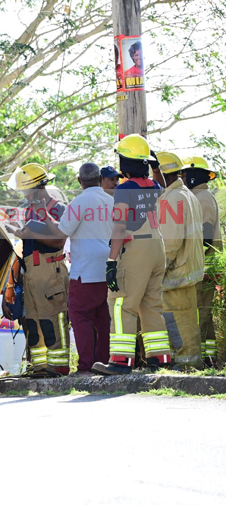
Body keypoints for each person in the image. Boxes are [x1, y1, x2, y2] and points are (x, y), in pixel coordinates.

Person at [93, 134, 172, 375]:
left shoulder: (124, 189)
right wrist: (156, 166)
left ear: (124, 163)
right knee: (151, 305)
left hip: (135, 249)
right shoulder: (155, 186)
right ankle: (161, 358)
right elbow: (163, 184)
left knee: (120, 303)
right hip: (157, 248)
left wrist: (111, 261)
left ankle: (121, 361)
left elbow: (119, 227)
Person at [42, 163, 114, 376]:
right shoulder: (111, 201)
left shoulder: (79, 202)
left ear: (79, 181)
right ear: (100, 178)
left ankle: (85, 366)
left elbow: (61, 232)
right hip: (109, 267)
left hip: (86, 269)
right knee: (103, 317)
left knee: (79, 314)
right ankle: (103, 362)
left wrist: (45, 217)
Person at [8, 164, 71, 376]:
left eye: (25, 189)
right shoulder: (28, 210)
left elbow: (59, 241)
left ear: (37, 187)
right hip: (31, 272)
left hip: (50, 268)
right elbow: (27, 238)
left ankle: (59, 366)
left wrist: (30, 236)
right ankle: (39, 367)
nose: (24, 194)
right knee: (34, 322)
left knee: (53, 318)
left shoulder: (58, 208)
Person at [156, 152, 205, 369]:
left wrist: (157, 271)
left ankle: (186, 367)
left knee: (178, 323)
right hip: (187, 271)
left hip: (176, 274)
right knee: (186, 321)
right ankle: (190, 364)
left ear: (161, 172)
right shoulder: (185, 194)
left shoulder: (173, 198)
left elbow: (170, 243)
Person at [181, 156, 223, 367]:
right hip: (203, 266)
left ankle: (198, 360)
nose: (183, 177)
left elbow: (205, 235)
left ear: (195, 175)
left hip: (203, 266)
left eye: (186, 174)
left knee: (199, 315)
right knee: (203, 316)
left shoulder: (202, 198)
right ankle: (209, 358)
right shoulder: (197, 196)